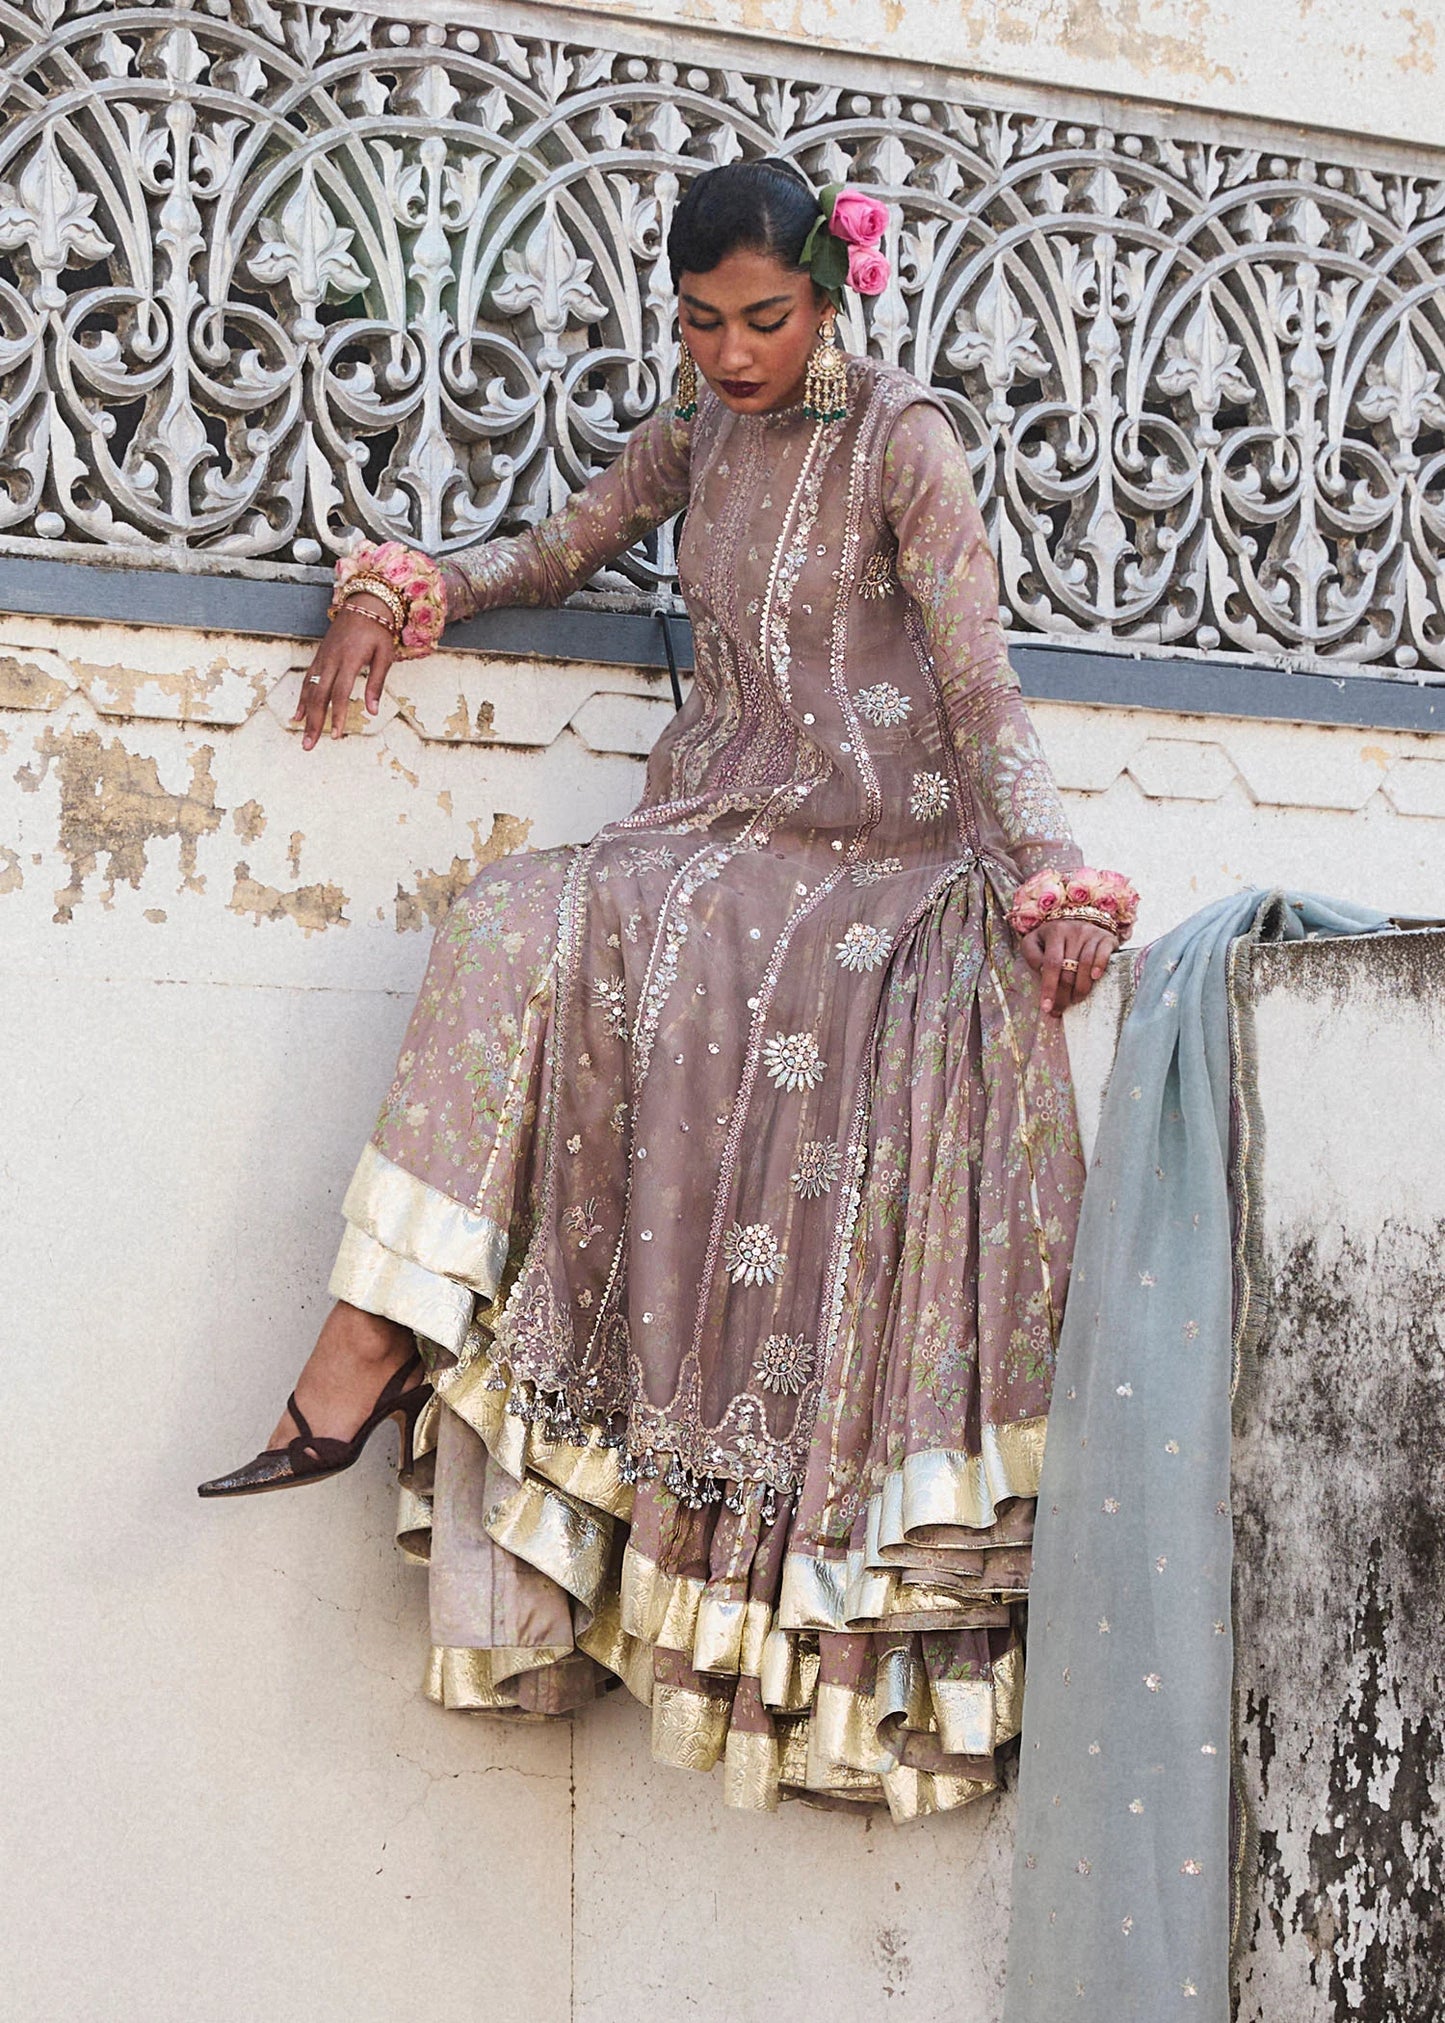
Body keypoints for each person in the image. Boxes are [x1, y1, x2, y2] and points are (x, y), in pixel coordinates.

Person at [199, 159, 1137, 1821]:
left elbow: (981, 682)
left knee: (598, 931)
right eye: (700, 323)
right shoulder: (695, 436)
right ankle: (366, 1339)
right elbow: (549, 553)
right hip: (706, 819)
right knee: (508, 918)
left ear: (830, 297)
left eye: (761, 320)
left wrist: (1050, 881)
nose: (728, 353)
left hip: (872, 846)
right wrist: (390, 596)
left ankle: (374, 1367)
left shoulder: (899, 440)